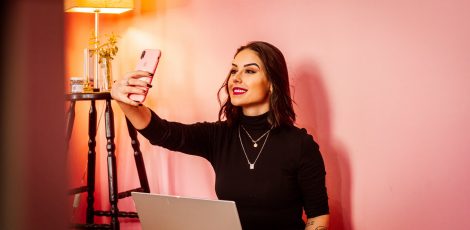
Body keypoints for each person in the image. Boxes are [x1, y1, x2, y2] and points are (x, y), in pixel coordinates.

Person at [111, 41, 330, 230]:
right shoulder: (218, 136)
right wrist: (126, 102)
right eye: (234, 70)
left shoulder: (300, 145)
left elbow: (317, 215)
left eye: (250, 71)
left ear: (272, 84)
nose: (236, 78)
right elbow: (163, 133)